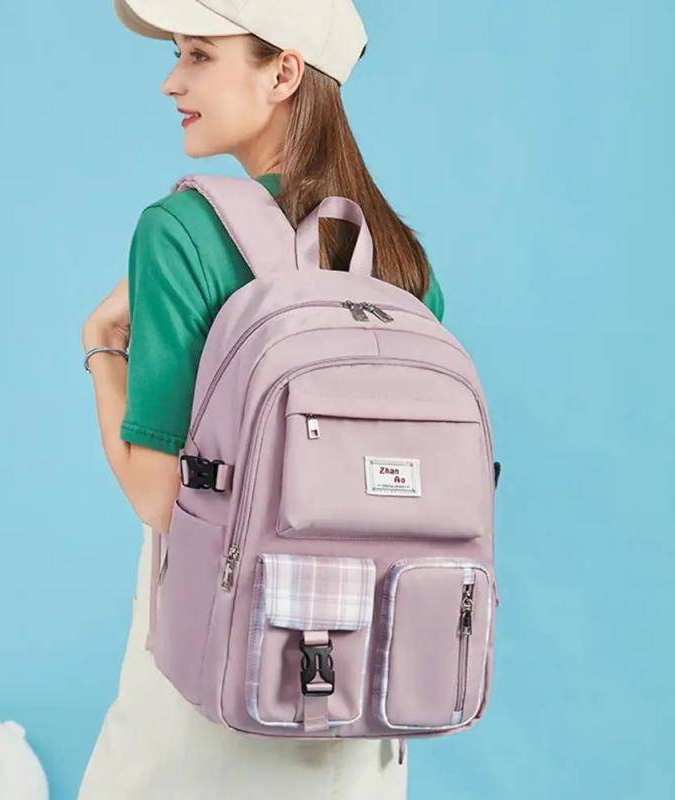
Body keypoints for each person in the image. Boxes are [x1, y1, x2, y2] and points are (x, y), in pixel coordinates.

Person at [78, 2, 445, 797]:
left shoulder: (181, 231)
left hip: (216, 694)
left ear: (283, 72)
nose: (172, 82)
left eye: (199, 55)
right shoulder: (402, 261)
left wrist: (101, 348)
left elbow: (159, 497)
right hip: (366, 709)